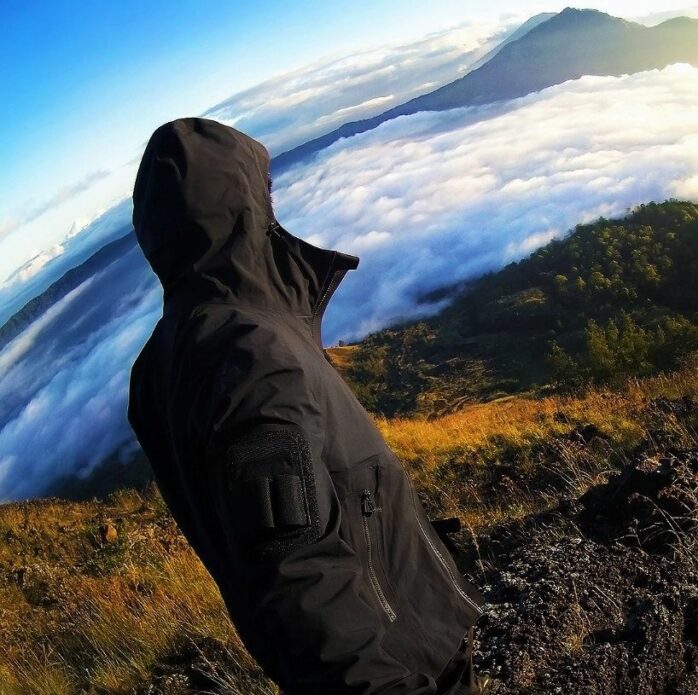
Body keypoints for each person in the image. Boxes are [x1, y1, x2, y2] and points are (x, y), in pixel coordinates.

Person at [128, 118, 483, 694]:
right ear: (242, 204)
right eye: (263, 195)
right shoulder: (248, 353)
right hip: (405, 654)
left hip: (391, 626)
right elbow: (300, 577)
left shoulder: (167, 359)